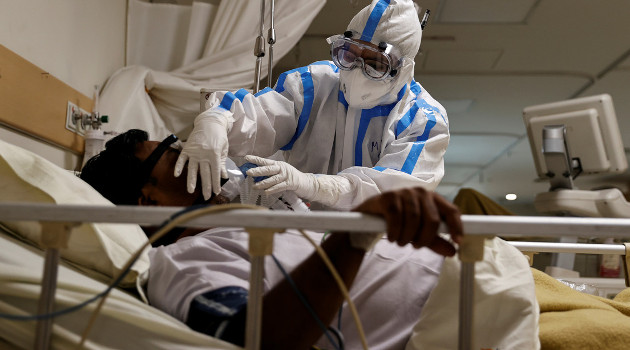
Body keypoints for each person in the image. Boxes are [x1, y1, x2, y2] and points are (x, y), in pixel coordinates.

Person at [80, 129, 463, 349]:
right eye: (170, 150)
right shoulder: (180, 263)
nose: (185, 147)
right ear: (149, 200)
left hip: (467, 280)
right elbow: (258, 337)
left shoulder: (238, 226)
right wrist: (353, 237)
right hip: (455, 318)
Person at [175, 0, 449, 211]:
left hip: (368, 254)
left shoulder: (423, 120)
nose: (356, 71)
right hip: (292, 237)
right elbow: (261, 117)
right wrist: (217, 119)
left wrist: (313, 185)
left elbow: (393, 194)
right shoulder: (313, 85)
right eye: (349, 54)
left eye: (375, 64)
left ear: (402, 69)